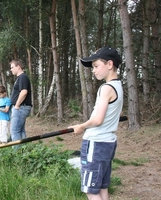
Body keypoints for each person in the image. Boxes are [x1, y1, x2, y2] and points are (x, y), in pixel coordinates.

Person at [68, 47, 123, 200]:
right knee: (102, 187)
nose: (94, 70)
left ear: (110, 64)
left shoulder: (105, 89)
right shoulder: (118, 86)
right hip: (108, 143)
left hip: (96, 143)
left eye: (96, 66)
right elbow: (115, 114)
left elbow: (98, 120)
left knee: (91, 190)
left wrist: (81, 126)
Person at [9, 59, 32, 144]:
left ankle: (17, 153)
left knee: (14, 130)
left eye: (12, 67)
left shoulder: (22, 77)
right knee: (20, 131)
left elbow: (24, 92)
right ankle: (23, 152)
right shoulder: (21, 78)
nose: (11, 69)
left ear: (18, 67)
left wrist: (17, 105)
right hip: (22, 107)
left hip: (21, 107)